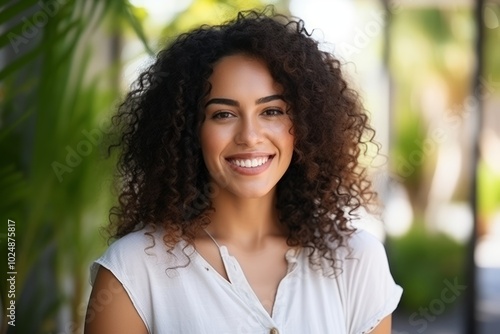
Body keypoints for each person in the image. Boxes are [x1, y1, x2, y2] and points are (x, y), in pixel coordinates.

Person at [84, 8, 402, 334]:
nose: (249, 136)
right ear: (188, 131)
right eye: (223, 114)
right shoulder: (134, 271)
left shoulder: (356, 261)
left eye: (272, 111)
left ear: (305, 125)